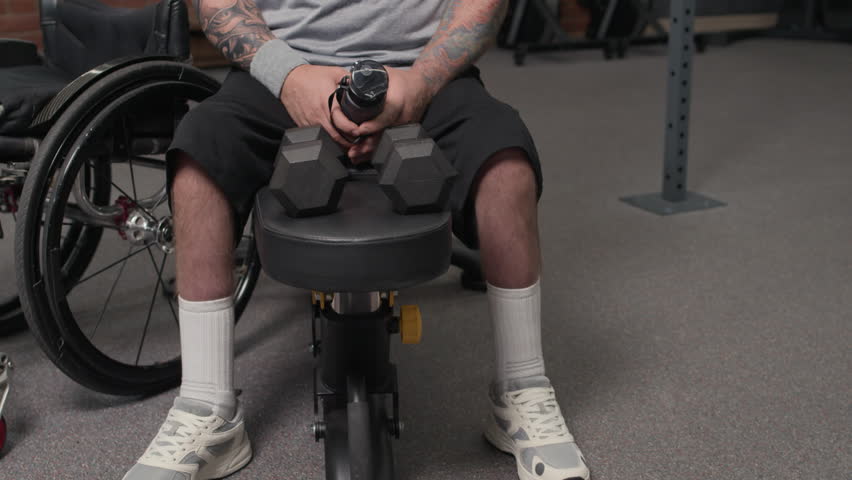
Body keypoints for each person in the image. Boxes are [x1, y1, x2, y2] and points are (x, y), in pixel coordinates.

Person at [122, 0, 590, 479]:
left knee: (506, 165)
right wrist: (291, 77)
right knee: (199, 158)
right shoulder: (287, 75)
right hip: (285, 73)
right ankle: (207, 407)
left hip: (420, 74)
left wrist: (419, 83)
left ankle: (521, 387)